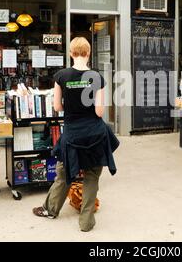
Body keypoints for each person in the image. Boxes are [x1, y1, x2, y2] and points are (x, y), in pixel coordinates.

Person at [32, 37, 119, 232]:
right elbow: (99, 112)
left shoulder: (61, 76)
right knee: (91, 176)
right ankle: (86, 222)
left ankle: (50, 210)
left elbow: (57, 106)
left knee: (63, 174)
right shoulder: (97, 77)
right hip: (95, 134)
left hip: (72, 133)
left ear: (71, 53)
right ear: (88, 53)